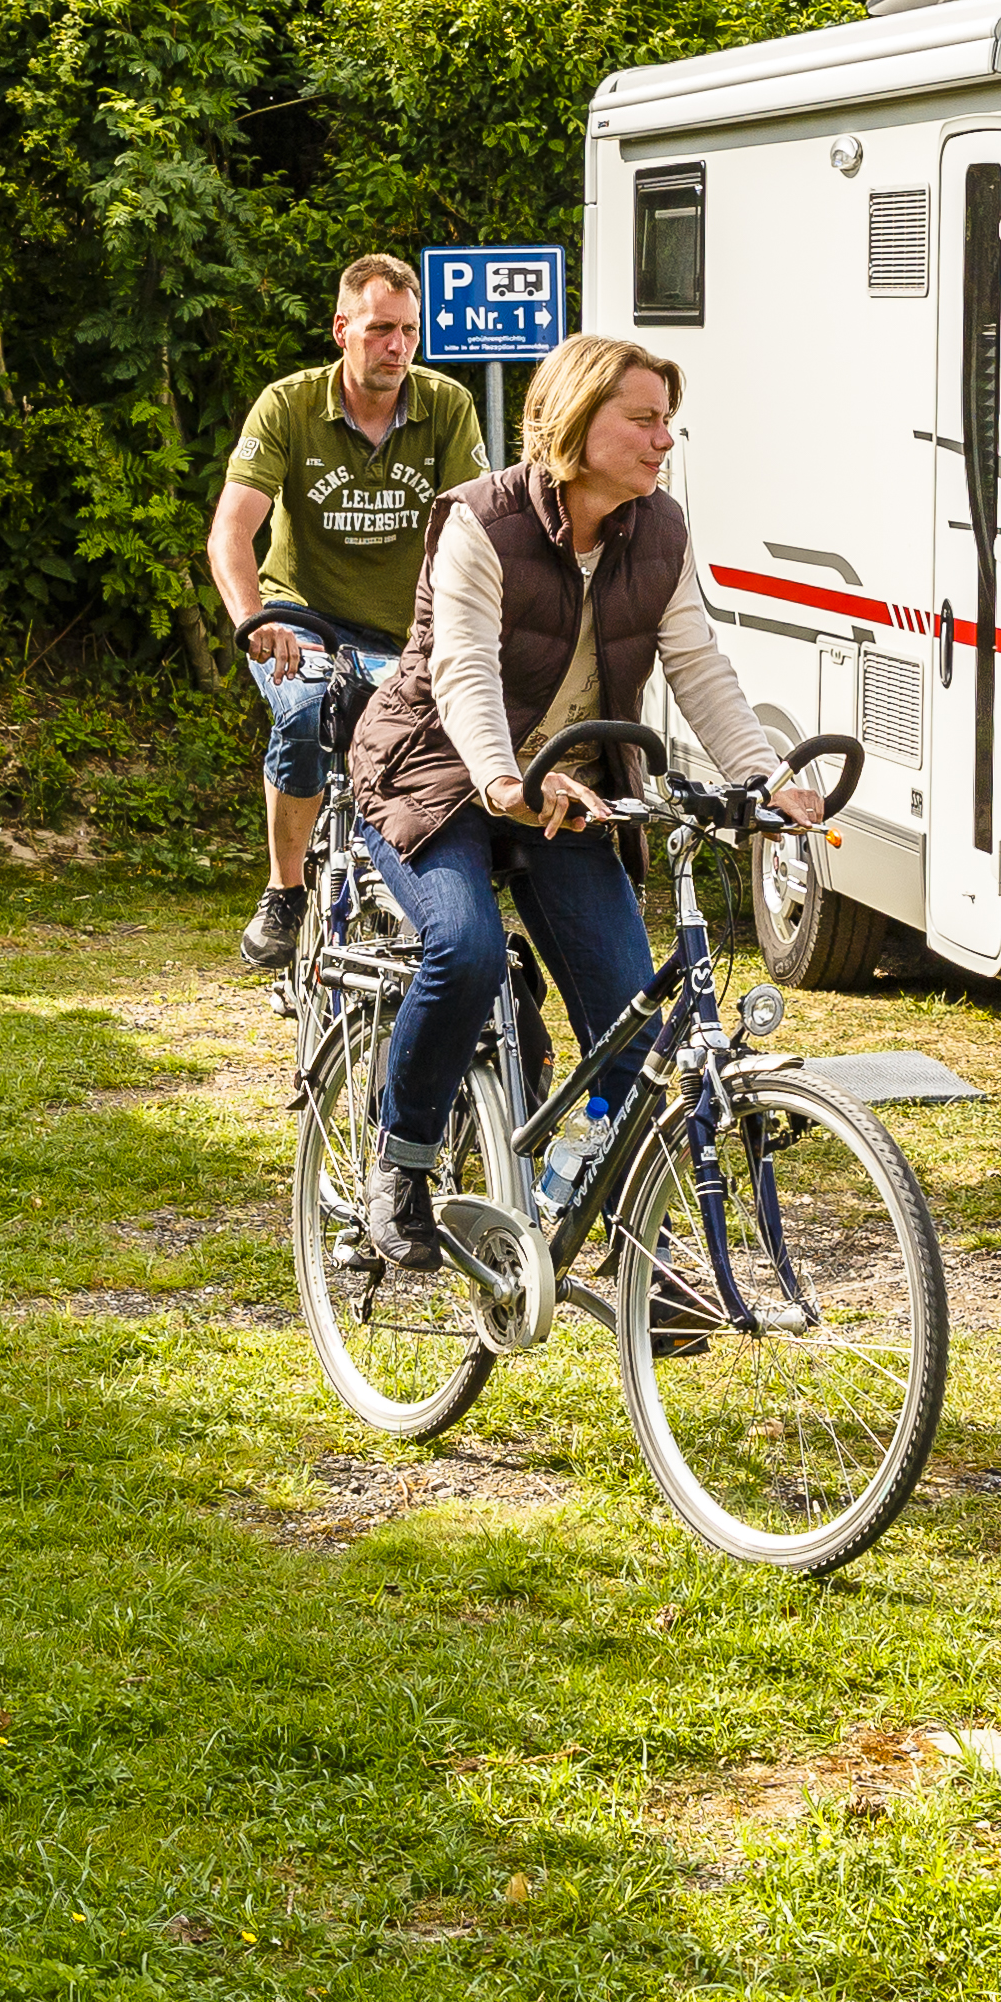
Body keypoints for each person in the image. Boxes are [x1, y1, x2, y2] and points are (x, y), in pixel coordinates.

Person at [328, 332, 770, 1272]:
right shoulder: (479, 523)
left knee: (628, 1020)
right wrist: (501, 778)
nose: (664, 441)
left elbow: (698, 666)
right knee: (465, 948)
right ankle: (399, 1164)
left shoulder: (661, 531)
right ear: (577, 422)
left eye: (669, 422)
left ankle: (621, 1232)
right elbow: (463, 673)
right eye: (644, 419)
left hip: (568, 791)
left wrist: (763, 776)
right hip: (436, 774)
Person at [205, 254, 484, 970]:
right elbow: (232, 530)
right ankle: (286, 888)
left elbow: (475, 534)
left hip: (409, 626)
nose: (397, 346)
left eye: (410, 332)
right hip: (304, 618)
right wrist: (253, 618)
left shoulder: (446, 405)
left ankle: (441, 905)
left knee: (457, 740)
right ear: (342, 329)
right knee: (302, 714)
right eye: (381, 328)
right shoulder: (289, 405)